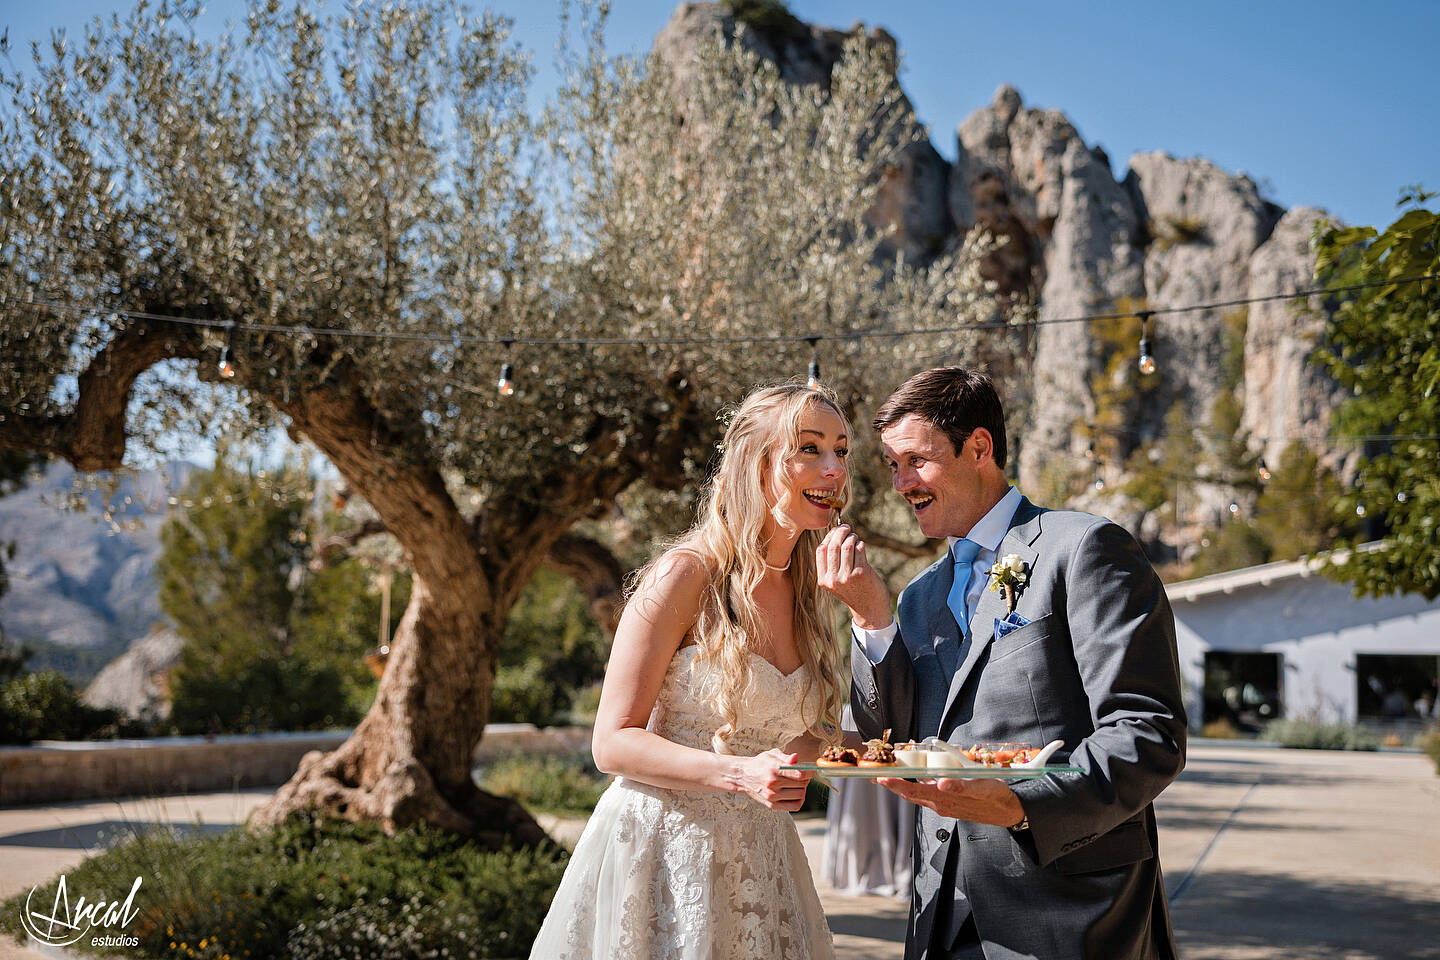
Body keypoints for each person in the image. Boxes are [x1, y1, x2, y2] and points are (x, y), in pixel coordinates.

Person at [816, 367, 1187, 960]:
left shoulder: (1085, 549)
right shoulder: (918, 597)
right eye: (892, 465)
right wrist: (871, 618)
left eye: (916, 461)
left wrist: (1020, 804)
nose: (902, 483)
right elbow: (894, 737)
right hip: (941, 909)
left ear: (979, 447)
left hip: (1071, 912)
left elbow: (1147, 733)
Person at [529, 383, 851, 960]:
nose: (834, 469)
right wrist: (740, 774)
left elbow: (801, 732)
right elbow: (612, 743)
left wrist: (820, 751)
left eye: (841, 451)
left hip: (762, 862)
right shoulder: (683, 574)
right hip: (662, 856)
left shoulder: (809, 590)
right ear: (756, 463)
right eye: (810, 448)